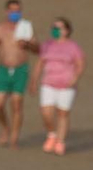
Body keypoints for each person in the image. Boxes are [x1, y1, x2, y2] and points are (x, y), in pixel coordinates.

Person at [28, 17, 84, 157]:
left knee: (62, 113)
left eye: (59, 27)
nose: (55, 30)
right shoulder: (47, 45)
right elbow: (40, 63)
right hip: (49, 83)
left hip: (66, 85)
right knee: (46, 112)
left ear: (67, 30)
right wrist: (34, 81)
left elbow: (80, 64)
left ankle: (60, 141)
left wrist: (75, 78)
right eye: (54, 27)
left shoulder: (73, 47)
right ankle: (52, 134)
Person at [0, 0, 34, 147]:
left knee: (17, 103)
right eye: (12, 11)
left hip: (20, 69)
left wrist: (29, 44)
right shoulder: (0, 29)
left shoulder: (26, 27)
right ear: (6, 11)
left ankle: (14, 137)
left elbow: (37, 49)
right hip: (3, 69)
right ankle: (5, 127)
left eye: (18, 11)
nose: (15, 13)